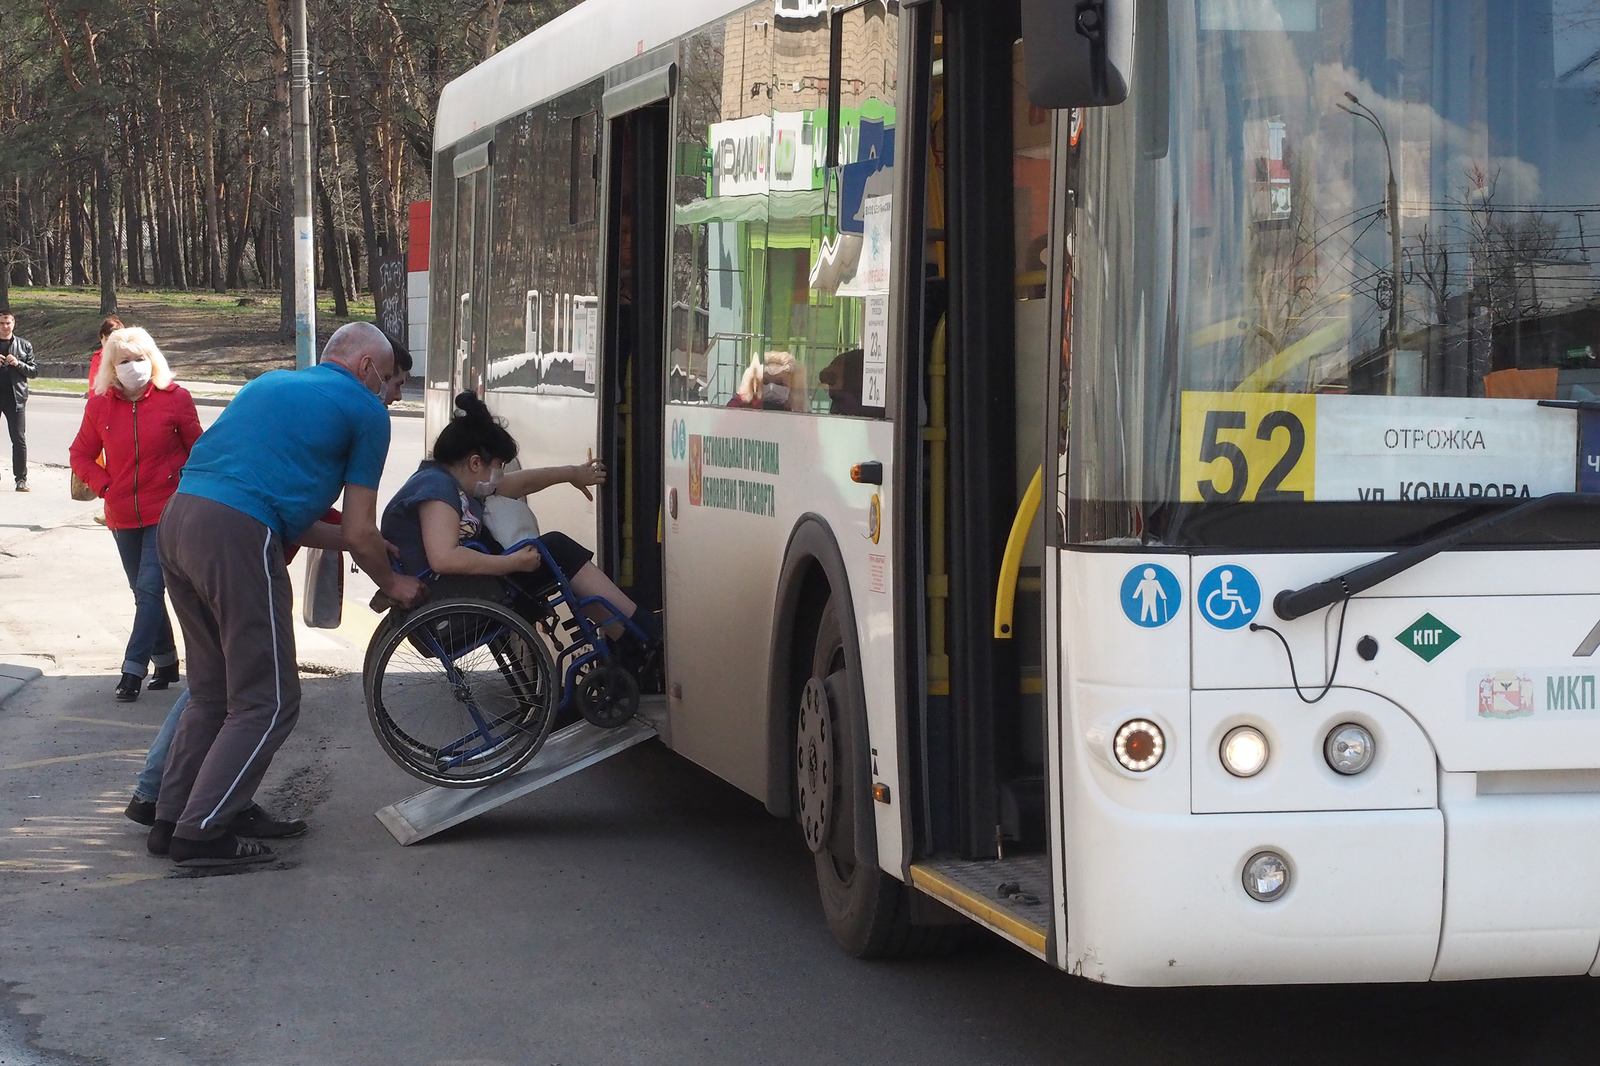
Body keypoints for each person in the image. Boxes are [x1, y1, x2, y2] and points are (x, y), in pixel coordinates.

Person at [149, 322, 425, 869]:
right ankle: (202, 834)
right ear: (369, 368)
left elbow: (296, 515)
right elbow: (357, 529)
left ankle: (170, 819)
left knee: (212, 692)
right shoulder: (365, 411)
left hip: (179, 521)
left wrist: (370, 548)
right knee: (268, 700)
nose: (394, 395)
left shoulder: (270, 384)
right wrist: (393, 583)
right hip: (238, 535)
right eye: (392, 380)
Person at [381, 392, 661, 663]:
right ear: (475, 462)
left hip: (463, 590)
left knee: (554, 555)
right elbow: (444, 557)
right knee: (556, 549)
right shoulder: (437, 489)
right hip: (455, 598)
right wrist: (511, 562)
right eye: (499, 467)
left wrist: (572, 474)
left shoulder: (451, 482)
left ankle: (626, 635)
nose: (499, 476)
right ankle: (642, 630)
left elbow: (520, 484)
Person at [69, 327, 201, 702]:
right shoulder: (99, 406)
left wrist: (185, 491)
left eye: (139, 359)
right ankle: (166, 660)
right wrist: (106, 486)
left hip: (167, 511)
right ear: (111, 366)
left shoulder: (175, 399)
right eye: (124, 361)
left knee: (149, 587)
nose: (133, 367)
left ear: (153, 359)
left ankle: (132, 669)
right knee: (142, 591)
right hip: (122, 513)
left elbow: (199, 449)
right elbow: (80, 454)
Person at [0, 308, 38, 491]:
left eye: (8, 323)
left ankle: (20, 479)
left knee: (19, 439)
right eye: (1, 323)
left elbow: (34, 371)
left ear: (14, 323)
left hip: (16, 398)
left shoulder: (24, 345)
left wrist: (18, 363)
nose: (5, 327)